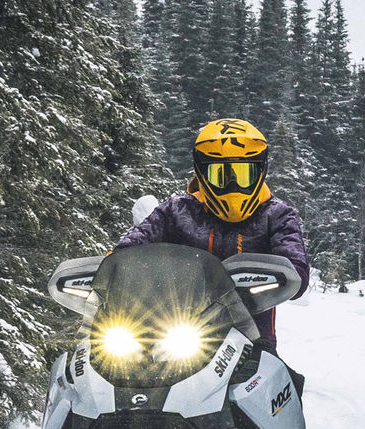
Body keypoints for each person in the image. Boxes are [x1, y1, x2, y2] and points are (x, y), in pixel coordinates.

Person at [117, 118, 309, 353]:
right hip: (174, 330)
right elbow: (135, 242)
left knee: (278, 383)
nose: (232, 185)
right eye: (220, 174)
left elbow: (296, 269)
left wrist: (278, 276)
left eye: (242, 174)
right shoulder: (177, 210)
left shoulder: (277, 215)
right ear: (201, 174)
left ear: (259, 172)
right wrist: (114, 264)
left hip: (251, 336)